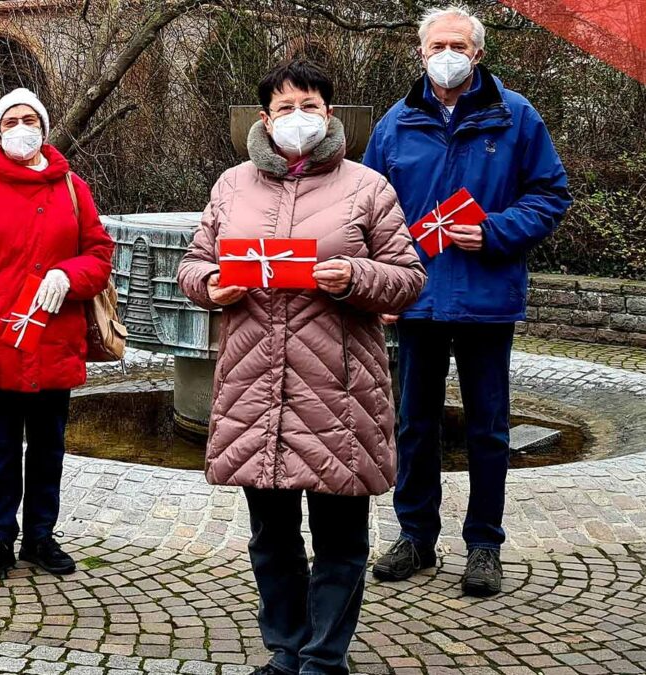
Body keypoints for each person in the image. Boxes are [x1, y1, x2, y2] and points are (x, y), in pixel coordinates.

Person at [177, 60, 426, 675]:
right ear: (264, 119)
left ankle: (324, 658)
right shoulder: (231, 186)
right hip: (254, 388)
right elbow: (191, 267)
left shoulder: (368, 187)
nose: (297, 118)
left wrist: (357, 277)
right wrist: (213, 285)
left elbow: (409, 279)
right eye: (285, 107)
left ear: (330, 115)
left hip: (338, 391)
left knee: (340, 537)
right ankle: (286, 650)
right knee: (271, 537)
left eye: (309, 105)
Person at [363, 5, 571, 597]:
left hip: (486, 297)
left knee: (487, 428)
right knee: (414, 424)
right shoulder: (395, 124)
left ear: (478, 53)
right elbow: (368, 211)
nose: (446, 54)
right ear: (421, 52)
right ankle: (415, 536)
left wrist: (499, 230)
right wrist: (381, 283)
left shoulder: (516, 116)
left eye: (458, 44)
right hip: (418, 297)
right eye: (436, 45)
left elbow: (551, 194)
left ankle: (484, 544)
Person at [0, 88, 114, 584]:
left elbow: (99, 253)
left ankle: (40, 535)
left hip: (54, 342)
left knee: (48, 448)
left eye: (29, 119)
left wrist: (69, 275)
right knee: (0, 450)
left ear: (44, 127)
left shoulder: (73, 189)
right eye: (11, 120)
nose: (21, 128)